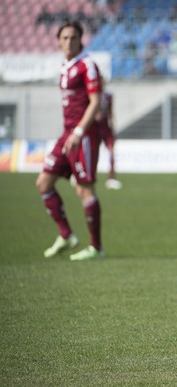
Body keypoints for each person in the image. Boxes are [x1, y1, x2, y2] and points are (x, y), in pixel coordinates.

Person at [36, 20, 105, 261]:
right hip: (67, 134)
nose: (68, 42)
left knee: (84, 190)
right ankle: (66, 235)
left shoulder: (87, 65)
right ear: (58, 41)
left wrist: (78, 132)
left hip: (83, 135)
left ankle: (96, 247)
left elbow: (95, 102)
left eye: (73, 38)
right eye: (64, 38)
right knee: (44, 183)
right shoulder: (65, 67)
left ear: (80, 40)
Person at [96, 76, 123, 190]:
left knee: (112, 151)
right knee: (92, 153)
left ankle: (111, 177)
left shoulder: (108, 96)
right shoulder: (92, 95)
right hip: (94, 128)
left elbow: (110, 112)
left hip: (106, 128)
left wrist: (113, 126)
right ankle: (85, 175)